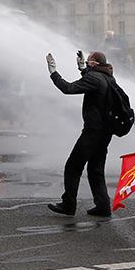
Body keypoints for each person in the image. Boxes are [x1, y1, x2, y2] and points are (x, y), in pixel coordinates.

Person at [45, 50, 115, 217]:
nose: (86, 62)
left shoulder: (94, 78)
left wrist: (53, 72)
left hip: (93, 131)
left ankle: (68, 205)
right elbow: (91, 80)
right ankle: (103, 206)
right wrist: (82, 68)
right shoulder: (107, 76)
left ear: (94, 64)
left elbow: (68, 88)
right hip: (105, 131)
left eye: (89, 60)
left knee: (73, 166)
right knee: (95, 169)